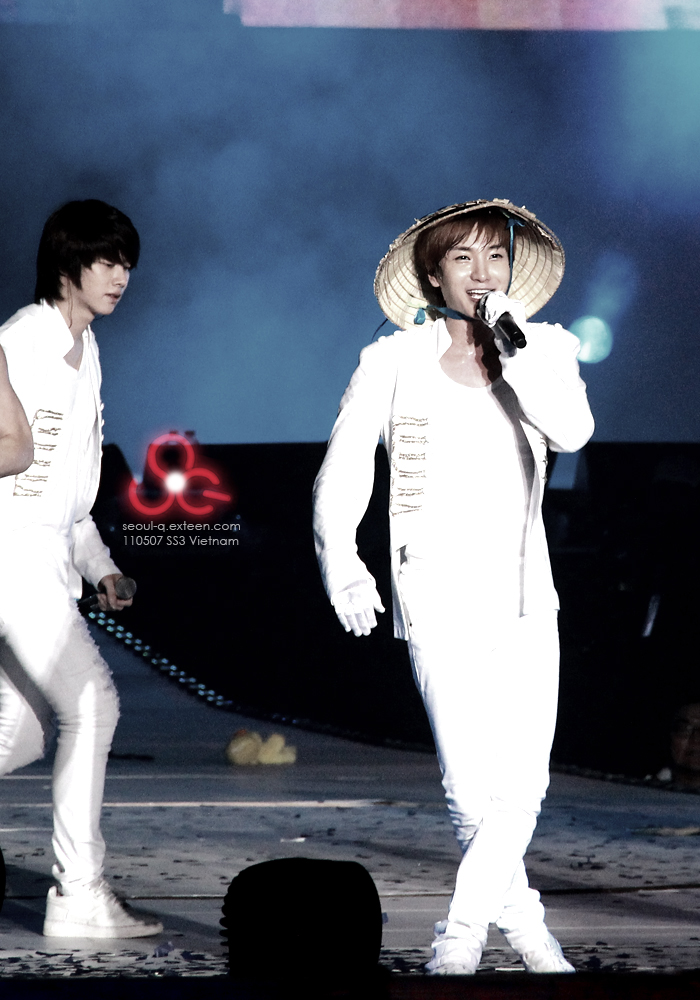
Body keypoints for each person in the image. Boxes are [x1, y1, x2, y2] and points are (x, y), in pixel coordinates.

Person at [313, 199, 594, 974]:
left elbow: (573, 430)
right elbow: (344, 469)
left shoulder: (546, 347)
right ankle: (509, 938)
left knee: (523, 787)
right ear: (434, 274)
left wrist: (515, 343)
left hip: (526, 596)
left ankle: (469, 938)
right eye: (463, 258)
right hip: (435, 594)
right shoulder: (391, 362)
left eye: (495, 257)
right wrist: (343, 560)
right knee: (470, 791)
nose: (482, 272)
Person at [0, 199, 162, 938]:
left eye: (126, 263)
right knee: (92, 703)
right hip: (12, 558)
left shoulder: (86, 349)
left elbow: (69, 504)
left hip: (45, 562)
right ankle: (79, 894)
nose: (120, 276)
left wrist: (101, 567)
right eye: (106, 261)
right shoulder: (21, 342)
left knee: (21, 734)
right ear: (67, 265)